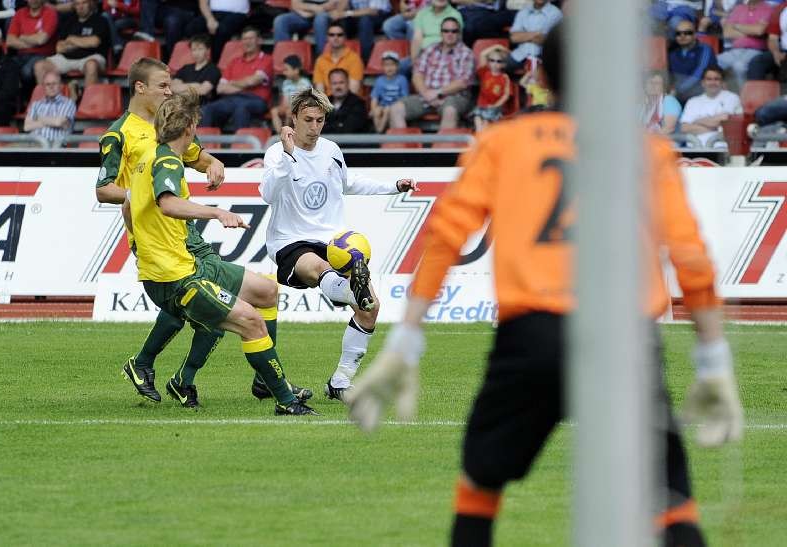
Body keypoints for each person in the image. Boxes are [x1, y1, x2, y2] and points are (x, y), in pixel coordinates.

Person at [348, 25, 744, 547]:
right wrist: (713, 359)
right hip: (623, 338)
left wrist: (405, 342)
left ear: (541, 77)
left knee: (479, 486)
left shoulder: (502, 142)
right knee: (668, 500)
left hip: (532, 336)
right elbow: (691, 257)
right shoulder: (644, 150)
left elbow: (444, 237)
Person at [126, 89, 317, 415]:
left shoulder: (149, 156)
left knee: (265, 290)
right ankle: (285, 400)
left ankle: (247, 382)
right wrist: (217, 212)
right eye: (196, 125)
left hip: (183, 265)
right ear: (187, 128)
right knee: (250, 322)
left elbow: (130, 205)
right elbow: (168, 203)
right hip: (176, 277)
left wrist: (141, 242)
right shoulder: (168, 161)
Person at [261, 87, 417, 400]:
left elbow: (349, 183)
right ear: (294, 118)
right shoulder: (278, 153)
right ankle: (350, 289)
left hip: (333, 239)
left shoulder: (331, 149)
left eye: (320, 120)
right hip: (290, 241)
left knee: (370, 308)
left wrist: (393, 186)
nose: (314, 126)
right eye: (308, 119)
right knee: (318, 268)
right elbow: (267, 193)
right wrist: (289, 155)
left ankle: (340, 382)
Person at [389, 17, 475, 130]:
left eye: (454, 31)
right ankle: (403, 147)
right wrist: (426, 94)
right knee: (396, 109)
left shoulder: (466, 53)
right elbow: (417, 74)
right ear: (441, 32)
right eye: (446, 31)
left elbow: (462, 83)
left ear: (459, 34)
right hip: (426, 95)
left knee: (450, 111)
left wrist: (437, 93)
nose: (450, 34)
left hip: (454, 96)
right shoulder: (430, 49)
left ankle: (442, 147)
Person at [200, 26, 273, 133]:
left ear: (259, 40)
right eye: (244, 39)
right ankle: (203, 146)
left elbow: (252, 81)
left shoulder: (266, 59)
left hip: (256, 100)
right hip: (231, 99)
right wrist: (245, 85)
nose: (247, 42)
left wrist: (232, 83)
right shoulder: (234, 61)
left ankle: (241, 147)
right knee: (207, 109)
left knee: (241, 108)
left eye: (250, 38)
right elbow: (220, 89)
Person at [34, 0, 110, 87]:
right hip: (67, 59)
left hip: (91, 57)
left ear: (90, 4)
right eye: (77, 4)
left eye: (84, 3)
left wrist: (71, 39)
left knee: (91, 65)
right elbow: (59, 48)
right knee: (39, 66)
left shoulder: (100, 20)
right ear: (74, 6)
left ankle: (88, 99)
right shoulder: (69, 22)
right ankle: (50, 99)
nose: (80, 7)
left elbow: (94, 42)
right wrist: (83, 42)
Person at [680, 65, 742, 147]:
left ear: (722, 82)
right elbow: (685, 128)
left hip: (722, 150)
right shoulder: (692, 101)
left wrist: (697, 121)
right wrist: (715, 128)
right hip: (695, 151)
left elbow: (725, 120)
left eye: (716, 79)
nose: (713, 82)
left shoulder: (732, 97)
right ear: (703, 82)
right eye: (709, 79)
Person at [717, 0, 772, 91]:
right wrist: (751, 29)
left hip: (756, 50)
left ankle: (744, 98)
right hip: (735, 50)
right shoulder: (739, 9)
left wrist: (736, 26)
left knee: (739, 66)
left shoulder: (768, 9)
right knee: (713, 61)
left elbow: (759, 31)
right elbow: (727, 33)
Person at [5, 0, 58, 85]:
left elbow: (41, 40)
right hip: (21, 55)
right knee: (5, 67)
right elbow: (10, 41)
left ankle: (32, 96)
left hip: (43, 56)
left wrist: (22, 37)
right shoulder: (20, 13)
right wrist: (34, 41)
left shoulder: (50, 13)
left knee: (26, 72)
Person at [272, 0, 346, 57]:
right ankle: (285, 63)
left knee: (320, 20)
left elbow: (334, 3)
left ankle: (323, 60)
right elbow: (295, 4)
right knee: (280, 21)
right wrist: (312, 9)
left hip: (326, 13)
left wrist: (314, 10)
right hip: (305, 14)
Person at [668, 19, 717, 105]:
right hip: (677, 97)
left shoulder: (705, 49)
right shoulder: (672, 53)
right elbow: (669, 76)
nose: (682, 36)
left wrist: (678, 90)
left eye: (687, 33)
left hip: (700, 96)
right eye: (678, 33)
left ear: (695, 35)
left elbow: (700, 73)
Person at [506, 0, 562, 74]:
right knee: (498, 65)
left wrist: (523, 35)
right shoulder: (523, 12)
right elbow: (514, 38)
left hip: (542, 57)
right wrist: (536, 34)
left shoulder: (556, 13)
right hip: (520, 55)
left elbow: (544, 40)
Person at [23, 70, 76, 146]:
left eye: (54, 83)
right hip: (32, 143)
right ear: (44, 87)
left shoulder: (68, 103)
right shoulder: (36, 104)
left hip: (54, 145)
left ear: (60, 85)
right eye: (48, 84)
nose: (51, 87)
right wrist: (52, 121)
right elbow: (27, 127)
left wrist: (38, 118)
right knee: (6, 151)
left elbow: (59, 122)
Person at [184, 0, 249, 62]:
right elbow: (203, 3)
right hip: (213, 13)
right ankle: (197, 62)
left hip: (238, 14)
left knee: (221, 30)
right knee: (192, 28)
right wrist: (210, 19)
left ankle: (214, 64)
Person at [312, 22, 364, 94]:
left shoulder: (354, 59)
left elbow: (353, 91)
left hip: (349, 103)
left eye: (340, 35)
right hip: (328, 103)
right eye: (332, 35)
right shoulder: (320, 60)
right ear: (327, 38)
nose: (335, 38)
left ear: (345, 37)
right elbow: (320, 91)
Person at [171, 33, 222, 104]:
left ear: (207, 50)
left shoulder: (213, 70)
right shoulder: (186, 68)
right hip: (180, 104)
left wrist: (182, 88)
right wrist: (194, 85)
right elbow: (172, 87)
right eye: (193, 50)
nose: (196, 53)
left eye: (200, 49)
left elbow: (203, 91)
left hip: (201, 107)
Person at [472, 44, 511, 132]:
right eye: (492, 60)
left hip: (494, 107)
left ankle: (481, 138)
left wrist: (495, 105)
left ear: (503, 64)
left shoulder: (504, 77)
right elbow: (482, 54)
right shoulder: (485, 72)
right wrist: (497, 46)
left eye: (499, 61)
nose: (495, 63)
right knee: (477, 119)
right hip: (482, 106)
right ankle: (479, 137)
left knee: (486, 122)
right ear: (488, 62)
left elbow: (506, 95)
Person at [0, 24, 20, 126]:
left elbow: (9, 90)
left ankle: (1, 141)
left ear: (0, 41)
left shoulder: (10, 63)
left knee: (2, 108)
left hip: (0, 102)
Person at [270, 54, 312, 133]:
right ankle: (279, 133)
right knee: (274, 111)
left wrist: (290, 108)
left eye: (286, 70)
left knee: (289, 111)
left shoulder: (304, 83)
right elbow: (285, 102)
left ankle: (286, 133)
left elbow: (304, 101)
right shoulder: (286, 83)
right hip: (289, 106)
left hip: (302, 107)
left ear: (296, 70)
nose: (284, 72)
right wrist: (285, 107)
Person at [370, 49, 409, 133]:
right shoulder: (379, 80)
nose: (389, 68)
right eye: (386, 65)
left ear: (397, 66)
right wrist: (374, 109)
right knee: (377, 111)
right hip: (383, 105)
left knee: (388, 110)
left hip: (395, 106)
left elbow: (405, 98)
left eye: (392, 65)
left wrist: (391, 107)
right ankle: (378, 130)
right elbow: (375, 98)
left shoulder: (402, 79)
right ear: (382, 67)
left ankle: (380, 131)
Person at [323, 67, 370, 133]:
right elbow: (317, 128)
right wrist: (339, 124)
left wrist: (328, 125)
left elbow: (348, 129)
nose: (338, 87)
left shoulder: (358, 103)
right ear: (330, 85)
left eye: (341, 82)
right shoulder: (323, 103)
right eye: (334, 83)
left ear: (348, 83)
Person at [641, 70, 682, 135]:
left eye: (657, 83)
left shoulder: (669, 101)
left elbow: (669, 129)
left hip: (664, 142)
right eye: (650, 83)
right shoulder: (643, 104)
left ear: (664, 87)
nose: (653, 86)